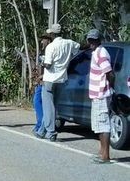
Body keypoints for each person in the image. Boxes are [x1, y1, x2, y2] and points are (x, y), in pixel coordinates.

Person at [35, 23, 80, 141]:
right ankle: (42, 131)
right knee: (53, 106)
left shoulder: (51, 47)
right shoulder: (69, 43)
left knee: (48, 107)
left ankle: (51, 132)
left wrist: (42, 63)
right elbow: (81, 46)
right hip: (62, 79)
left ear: (53, 34)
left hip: (50, 79)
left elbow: (48, 65)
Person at [86, 29, 115, 164]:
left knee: (103, 125)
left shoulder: (101, 53)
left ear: (99, 40)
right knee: (98, 124)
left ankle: (105, 156)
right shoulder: (96, 52)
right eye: (90, 40)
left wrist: (109, 88)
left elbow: (109, 73)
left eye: (94, 40)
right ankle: (101, 152)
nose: (91, 42)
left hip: (101, 94)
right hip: (97, 94)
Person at [33, 34, 52, 134]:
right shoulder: (43, 52)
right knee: (36, 102)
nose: (41, 42)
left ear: (48, 40)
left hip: (45, 81)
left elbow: (50, 66)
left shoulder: (51, 51)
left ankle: (41, 125)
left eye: (43, 40)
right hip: (40, 81)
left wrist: (41, 76)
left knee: (38, 102)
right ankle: (39, 124)